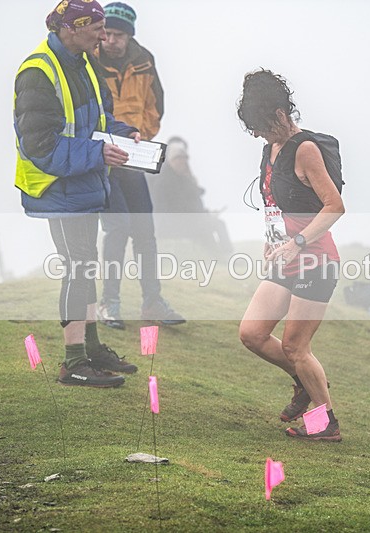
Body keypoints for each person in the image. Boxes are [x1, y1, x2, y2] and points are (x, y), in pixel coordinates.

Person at [14, 0, 140, 387]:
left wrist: (123, 135)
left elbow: (100, 118)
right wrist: (98, 152)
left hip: (84, 182)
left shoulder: (82, 58)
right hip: (56, 187)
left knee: (86, 265)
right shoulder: (38, 71)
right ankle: (73, 363)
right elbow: (38, 144)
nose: (104, 36)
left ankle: (91, 347)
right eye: (97, 28)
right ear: (72, 27)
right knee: (78, 267)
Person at [237, 69, 345, 441]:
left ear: (281, 115)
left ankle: (325, 422)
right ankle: (306, 382)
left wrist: (297, 243)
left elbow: (334, 207)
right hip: (283, 258)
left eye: (261, 126)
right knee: (252, 333)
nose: (257, 135)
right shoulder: (271, 149)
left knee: (296, 346)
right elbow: (274, 205)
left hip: (315, 260)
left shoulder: (306, 149)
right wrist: (271, 241)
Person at [93, 2, 185, 330]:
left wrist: (140, 138)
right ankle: (109, 303)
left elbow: (155, 106)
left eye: (118, 34)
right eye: (106, 33)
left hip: (134, 157)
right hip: (100, 161)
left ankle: (152, 302)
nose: (111, 40)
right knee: (117, 229)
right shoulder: (88, 60)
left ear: (129, 34)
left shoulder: (145, 61)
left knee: (145, 229)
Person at [147, 136, 233, 254]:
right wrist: (204, 216)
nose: (183, 162)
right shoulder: (165, 181)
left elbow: (192, 200)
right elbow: (179, 206)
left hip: (182, 221)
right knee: (217, 225)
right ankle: (226, 256)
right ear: (171, 160)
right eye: (179, 159)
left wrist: (204, 214)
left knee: (207, 228)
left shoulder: (181, 177)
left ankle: (220, 257)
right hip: (170, 224)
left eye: (184, 159)